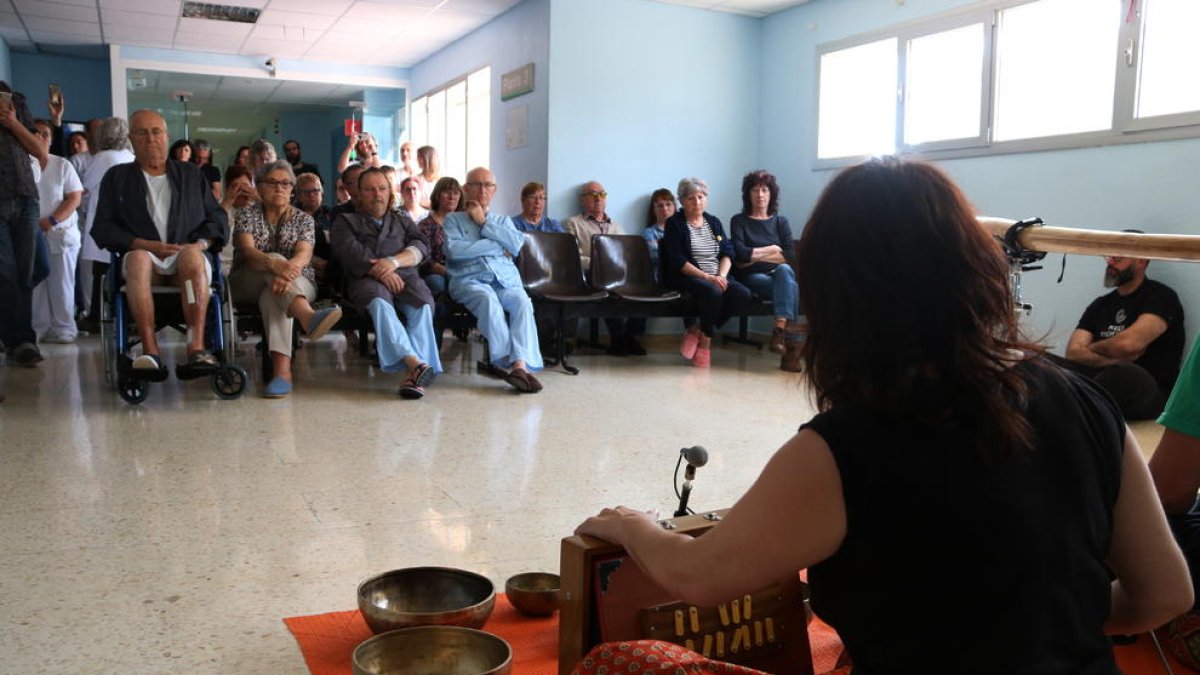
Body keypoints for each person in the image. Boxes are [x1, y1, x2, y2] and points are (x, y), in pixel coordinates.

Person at [576, 157, 1192, 674]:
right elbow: (1166, 592)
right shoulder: (1088, 402)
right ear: (975, 268)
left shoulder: (841, 451)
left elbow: (699, 576)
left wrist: (633, 525)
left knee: (620, 660)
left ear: (839, 297)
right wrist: (1047, 623)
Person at [90, 109, 229, 375]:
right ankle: (150, 351)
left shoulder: (190, 175)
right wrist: (143, 244)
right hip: (143, 258)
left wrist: (199, 245)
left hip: (185, 261)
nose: (150, 139)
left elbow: (217, 217)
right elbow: (102, 227)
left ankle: (196, 347)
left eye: (156, 132)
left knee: (191, 258)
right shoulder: (117, 178)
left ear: (166, 136)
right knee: (140, 260)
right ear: (131, 138)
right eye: (142, 133)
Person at [229, 161, 341, 398]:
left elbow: (304, 254)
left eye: (286, 183)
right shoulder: (245, 215)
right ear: (259, 187)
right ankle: (308, 316)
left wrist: (286, 270)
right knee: (274, 261)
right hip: (247, 281)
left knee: (273, 295)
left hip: (296, 281)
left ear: (292, 189)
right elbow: (248, 252)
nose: (280, 188)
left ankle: (282, 374)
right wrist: (275, 264)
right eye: (273, 183)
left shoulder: (304, 220)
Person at [330, 167, 440, 399]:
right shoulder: (345, 220)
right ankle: (414, 363)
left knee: (423, 304)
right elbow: (351, 253)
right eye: (369, 190)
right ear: (357, 194)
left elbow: (421, 246)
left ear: (389, 192)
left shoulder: (401, 218)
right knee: (380, 303)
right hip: (365, 278)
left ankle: (413, 374)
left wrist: (394, 262)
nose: (377, 194)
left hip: (404, 274)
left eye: (381, 188)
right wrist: (380, 271)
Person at [1060, 239, 1185, 420]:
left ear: (1141, 261)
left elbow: (1128, 345)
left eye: (1118, 257)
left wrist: (1092, 348)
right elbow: (1073, 352)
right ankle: (1070, 410)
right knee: (1039, 361)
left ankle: (1072, 417)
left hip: (1149, 391)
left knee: (1124, 372)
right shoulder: (1100, 304)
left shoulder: (1161, 297)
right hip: (1101, 378)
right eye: (1109, 256)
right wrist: (1110, 359)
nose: (1110, 262)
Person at [445, 167, 544, 393]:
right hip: (470, 281)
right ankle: (510, 363)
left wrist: (483, 224)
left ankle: (520, 364)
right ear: (466, 188)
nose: (482, 189)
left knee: (521, 301)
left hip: (505, 281)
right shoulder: (453, 220)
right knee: (487, 299)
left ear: (494, 190)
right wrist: (497, 245)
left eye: (487, 185)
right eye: (476, 184)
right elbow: (455, 251)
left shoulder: (503, 220)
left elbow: (517, 246)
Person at [660, 177, 751, 368]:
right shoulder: (674, 224)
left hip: (717, 274)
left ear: (706, 199)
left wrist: (722, 276)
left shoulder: (714, 222)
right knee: (714, 292)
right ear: (682, 201)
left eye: (701, 197)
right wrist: (708, 277)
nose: (697, 202)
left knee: (743, 294)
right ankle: (706, 343)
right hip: (687, 275)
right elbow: (678, 261)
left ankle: (697, 330)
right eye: (691, 198)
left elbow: (728, 251)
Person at [564, 180, 647, 356]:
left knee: (643, 284)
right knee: (607, 285)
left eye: (602, 194)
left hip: (618, 274)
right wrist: (600, 265)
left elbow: (627, 253)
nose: (598, 198)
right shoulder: (573, 223)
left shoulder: (616, 226)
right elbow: (573, 256)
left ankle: (631, 336)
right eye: (593, 194)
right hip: (590, 274)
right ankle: (618, 339)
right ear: (582, 200)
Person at [0, 81, 49, 366]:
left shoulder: (16, 100)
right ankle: (18, 340)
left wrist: (13, 123)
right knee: (5, 273)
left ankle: (21, 339)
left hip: (26, 197)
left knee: (26, 273)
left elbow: (40, 151)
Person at [730, 169, 799, 355]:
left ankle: (780, 330)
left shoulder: (781, 222)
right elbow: (741, 254)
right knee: (791, 287)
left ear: (771, 194)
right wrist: (774, 249)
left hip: (778, 275)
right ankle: (791, 348)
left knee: (785, 271)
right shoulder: (739, 221)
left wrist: (753, 255)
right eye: (755, 190)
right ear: (748, 194)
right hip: (752, 277)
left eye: (764, 190)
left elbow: (791, 256)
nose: (760, 195)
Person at [78, 116, 135, 331]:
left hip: (105, 220)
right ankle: (126, 316)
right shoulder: (131, 156)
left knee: (100, 272)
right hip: (127, 222)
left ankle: (96, 317)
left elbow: (88, 186)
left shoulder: (102, 158)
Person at [30, 118, 83, 344]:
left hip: (61, 233)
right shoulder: (24, 164)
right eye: (36, 133)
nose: (41, 137)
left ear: (51, 139)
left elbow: (74, 197)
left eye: (46, 134)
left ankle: (64, 328)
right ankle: (39, 327)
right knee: (37, 284)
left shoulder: (62, 165)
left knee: (62, 283)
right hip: (32, 234)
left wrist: (50, 220)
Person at [416, 176, 460, 302]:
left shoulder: (463, 224)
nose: (452, 197)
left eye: (456, 193)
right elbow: (425, 260)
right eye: (447, 192)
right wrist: (450, 273)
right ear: (437, 195)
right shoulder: (425, 225)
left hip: (462, 271)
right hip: (437, 272)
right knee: (437, 283)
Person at [295, 172, 338, 285]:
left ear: (321, 193)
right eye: (307, 192)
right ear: (299, 196)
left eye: (316, 191)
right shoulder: (292, 214)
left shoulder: (332, 214)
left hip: (329, 261)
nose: (312, 195)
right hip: (302, 261)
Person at [643, 187, 676, 272]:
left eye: (668, 204)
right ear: (654, 210)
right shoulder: (649, 233)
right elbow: (656, 258)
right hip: (663, 277)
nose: (665, 209)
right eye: (660, 205)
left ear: (674, 207)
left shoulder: (683, 229)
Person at [415, 145, 440, 209]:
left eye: (419, 157)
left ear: (426, 158)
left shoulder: (440, 180)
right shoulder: (416, 179)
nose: (416, 160)